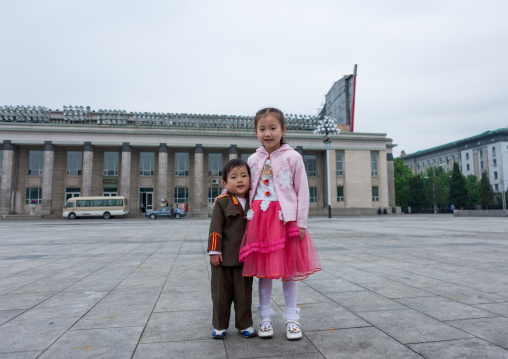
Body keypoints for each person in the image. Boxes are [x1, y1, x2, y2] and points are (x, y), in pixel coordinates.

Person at [239, 108, 321, 341]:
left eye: (272, 128)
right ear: (256, 131)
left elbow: (302, 191)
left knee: (288, 272)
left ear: (283, 130)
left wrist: (301, 222)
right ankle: (265, 318)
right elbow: (245, 187)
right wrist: (227, 193)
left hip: (284, 220)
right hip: (259, 219)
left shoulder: (292, 157)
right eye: (262, 129)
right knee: (263, 272)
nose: (267, 133)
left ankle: (292, 320)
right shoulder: (253, 159)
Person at [208, 159, 256, 339]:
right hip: (223, 259)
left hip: (245, 259)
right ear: (225, 183)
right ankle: (220, 326)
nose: (240, 180)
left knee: (244, 295)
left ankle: (245, 325)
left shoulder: (255, 201)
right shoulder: (222, 202)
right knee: (221, 294)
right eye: (234, 177)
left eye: (244, 176)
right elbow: (215, 228)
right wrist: (214, 252)